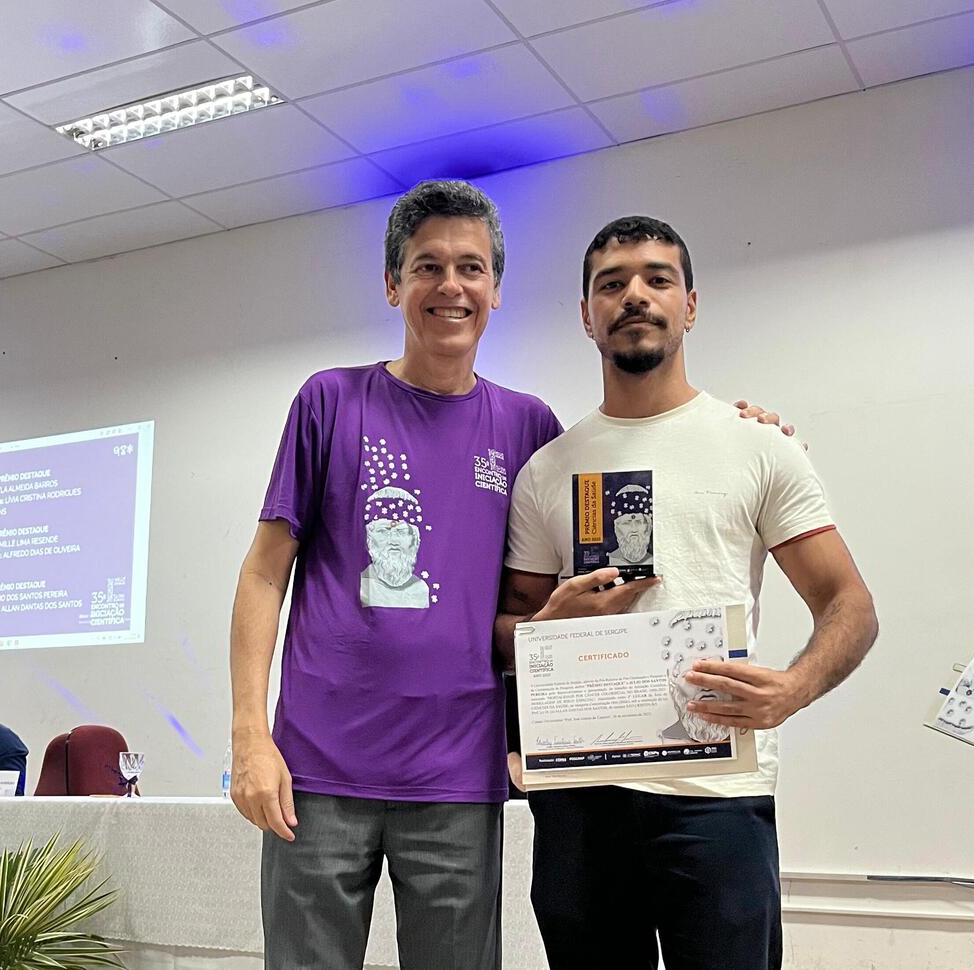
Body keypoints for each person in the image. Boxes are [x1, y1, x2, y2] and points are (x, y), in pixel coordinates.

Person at [229, 181, 798, 970]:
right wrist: (249, 735)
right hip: (317, 769)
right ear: (393, 284)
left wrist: (746, 432)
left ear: (495, 289)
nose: (451, 286)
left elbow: (583, 577)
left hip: (460, 774)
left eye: (471, 267)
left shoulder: (531, 430)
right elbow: (264, 576)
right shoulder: (329, 401)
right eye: (427, 267)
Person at [496, 215, 878, 969]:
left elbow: (851, 606)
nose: (634, 296)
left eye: (657, 279)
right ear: (587, 316)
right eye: (612, 284)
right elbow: (507, 628)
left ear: (690, 305)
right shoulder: (547, 469)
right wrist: (546, 624)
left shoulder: (758, 446)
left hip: (716, 797)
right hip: (581, 800)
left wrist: (793, 688)